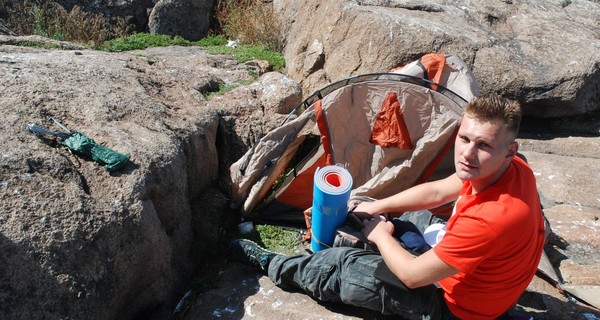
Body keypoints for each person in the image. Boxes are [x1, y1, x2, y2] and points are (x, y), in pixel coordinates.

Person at [229, 94, 546, 319]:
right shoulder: (513, 168)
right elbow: (437, 190)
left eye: (484, 145)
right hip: (478, 287)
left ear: (509, 149)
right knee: (394, 220)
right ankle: (370, 232)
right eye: (464, 139)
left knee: (339, 266)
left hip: (454, 309)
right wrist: (375, 205)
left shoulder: (491, 219)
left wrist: (381, 235)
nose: (468, 153)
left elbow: (412, 276)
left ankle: (271, 263)